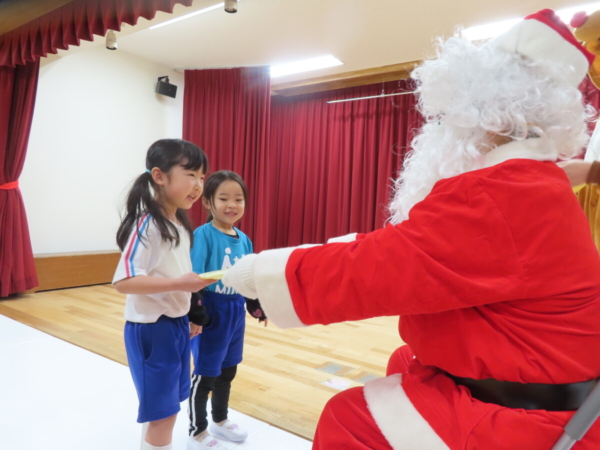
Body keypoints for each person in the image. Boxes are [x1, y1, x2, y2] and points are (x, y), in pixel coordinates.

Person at [221, 10, 600, 450]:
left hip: (530, 417)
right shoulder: (531, 182)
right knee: (405, 359)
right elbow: (415, 248)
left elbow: (384, 268)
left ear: (493, 120)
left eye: (450, 117)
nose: (439, 129)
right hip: (552, 377)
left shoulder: (499, 191)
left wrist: (265, 275)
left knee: (348, 419)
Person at [113, 139, 215, 450]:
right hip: (152, 331)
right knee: (163, 414)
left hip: (176, 326)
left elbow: (182, 275)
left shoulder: (179, 224)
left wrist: (192, 313)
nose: (197, 185)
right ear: (159, 176)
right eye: (190, 175)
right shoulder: (148, 225)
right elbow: (124, 281)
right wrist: (179, 285)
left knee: (166, 408)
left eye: (201, 177)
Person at [187, 170, 267, 450]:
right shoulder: (203, 235)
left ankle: (220, 420)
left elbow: (247, 277)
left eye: (238, 199)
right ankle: (197, 431)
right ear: (207, 202)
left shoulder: (244, 239)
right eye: (223, 198)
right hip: (211, 311)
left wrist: (256, 305)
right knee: (205, 374)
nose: (232, 205)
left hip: (234, 312)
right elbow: (195, 278)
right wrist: (196, 314)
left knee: (227, 370)